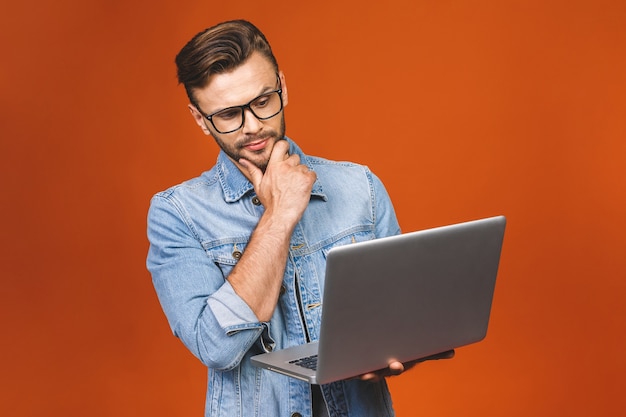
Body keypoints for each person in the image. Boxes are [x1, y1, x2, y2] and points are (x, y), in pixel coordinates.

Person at [147, 19, 452, 417]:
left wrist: (406, 348)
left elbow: (398, 319)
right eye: (228, 115)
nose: (253, 125)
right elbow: (217, 347)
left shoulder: (361, 187)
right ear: (200, 120)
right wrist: (280, 212)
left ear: (283, 88)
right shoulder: (177, 214)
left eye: (262, 101)